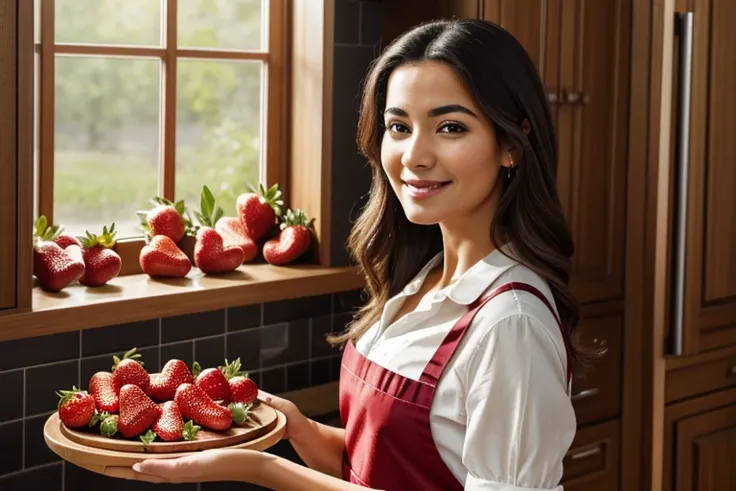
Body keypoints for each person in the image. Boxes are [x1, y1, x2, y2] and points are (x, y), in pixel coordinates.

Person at [111, 17, 582, 490]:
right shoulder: (424, 281)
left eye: (450, 127)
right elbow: (377, 466)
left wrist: (265, 470)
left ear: (511, 146)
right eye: (398, 126)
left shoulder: (510, 323)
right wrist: (296, 427)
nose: (414, 156)